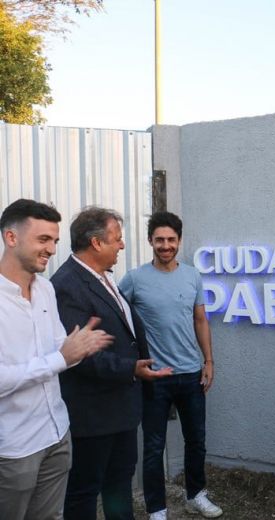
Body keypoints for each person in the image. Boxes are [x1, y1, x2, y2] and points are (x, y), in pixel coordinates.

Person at [51, 206, 173, 520]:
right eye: (117, 239)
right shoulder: (67, 285)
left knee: (118, 487)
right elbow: (80, 354)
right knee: (84, 494)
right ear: (96, 243)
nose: (122, 245)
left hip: (120, 409)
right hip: (93, 416)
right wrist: (130, 369)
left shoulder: (103, 278)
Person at [0, 199, 112, 520]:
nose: (51, 249)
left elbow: (59, 351)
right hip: (14, 449)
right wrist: (62, 357)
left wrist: (80, 347)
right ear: (11, 238)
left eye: (55, 241)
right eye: (43, 239)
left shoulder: (46, 289)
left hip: (57, 434)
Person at [120, 211, 222, 519]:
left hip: (191, 373)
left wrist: (208, 361)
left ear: (179, 241)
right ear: (150, 241)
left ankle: (196, 495)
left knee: (196, 440)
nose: (166, 245)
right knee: (153, 447)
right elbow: (118, 319)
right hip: (154, 377)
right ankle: (157, 509)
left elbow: (200, 319)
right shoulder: (135, 279)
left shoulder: (192, 276)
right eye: (160, 239)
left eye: (171, 239)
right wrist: (130, 359)